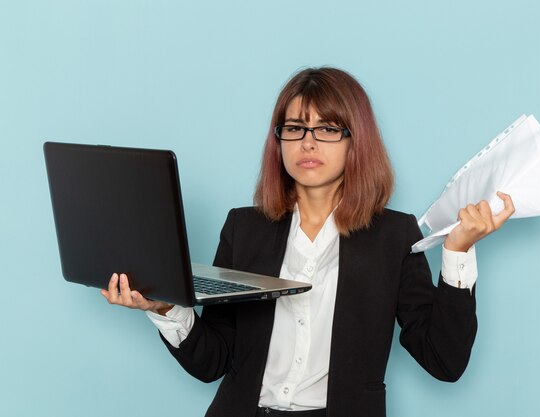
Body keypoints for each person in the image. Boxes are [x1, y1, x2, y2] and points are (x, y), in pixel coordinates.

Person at [101, 67, 515, 417]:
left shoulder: (394, 235)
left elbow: (444, 361)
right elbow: (213, 361)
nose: (308, 142)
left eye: (328, 128)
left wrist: (457, 253)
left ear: (357, 140)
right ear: (278, 140)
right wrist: (164, 306)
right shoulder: (244, 229)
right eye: (295, 128)